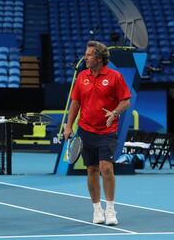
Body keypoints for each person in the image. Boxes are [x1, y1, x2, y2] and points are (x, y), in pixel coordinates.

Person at [63, 40, 131, 226]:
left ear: (99, 58)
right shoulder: (82, 77)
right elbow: (75, 103)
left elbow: (125, 100)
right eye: (86, 54)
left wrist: (115, 113)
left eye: (89, 55)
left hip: (107, 130)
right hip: (85, 130)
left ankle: (110, 209)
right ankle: (97, 209)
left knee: (106, 168)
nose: (86, 57)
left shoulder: (115, 77)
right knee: (91, 170)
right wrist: (69, 126)